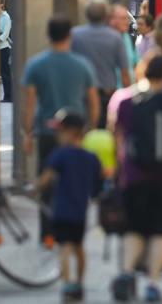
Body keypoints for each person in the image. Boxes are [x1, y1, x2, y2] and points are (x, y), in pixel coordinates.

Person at [110, 55, 162, 302]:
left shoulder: (123, 100)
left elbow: (117, 136)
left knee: (133, 228)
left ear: (141, 70)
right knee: (160, 230)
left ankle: (127, 272)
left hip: (134, 176)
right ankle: (153, 283)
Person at [23, 17, 100, 242]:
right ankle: (70, 232)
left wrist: (28, 133)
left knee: (45, 181)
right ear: (70, 36)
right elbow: (93, 102)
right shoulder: (82, 65)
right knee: (73, 183)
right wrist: (90, 129)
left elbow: (29, 105)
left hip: (47, 132)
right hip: (75, 133)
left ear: (49, 35)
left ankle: (47, 233)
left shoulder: (36, 65)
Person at [35, 112, 102, 303]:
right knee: (79, 247)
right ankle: (79, 283)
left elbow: (45, 179)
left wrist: (35, 188)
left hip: (61, 210)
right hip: (80, 212)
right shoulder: (91, 158)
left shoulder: (60, 155)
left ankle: (66, 284)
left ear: (71, 132)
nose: (58, 135)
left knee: (64, 247)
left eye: (61, 131)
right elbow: (97, 186)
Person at [72, 0, 130, 129]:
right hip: (107, 93)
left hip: (82, 93)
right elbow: (124, 72)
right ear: (106, 16)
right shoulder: (115, 38)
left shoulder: (75, 35)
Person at [110, 4, 138, 86]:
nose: (127, 22)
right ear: (112, 20)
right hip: (114, 90)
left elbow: (135, 63)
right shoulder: (106, 38)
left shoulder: (127, 37)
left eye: (127, 19)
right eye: (123, 19)